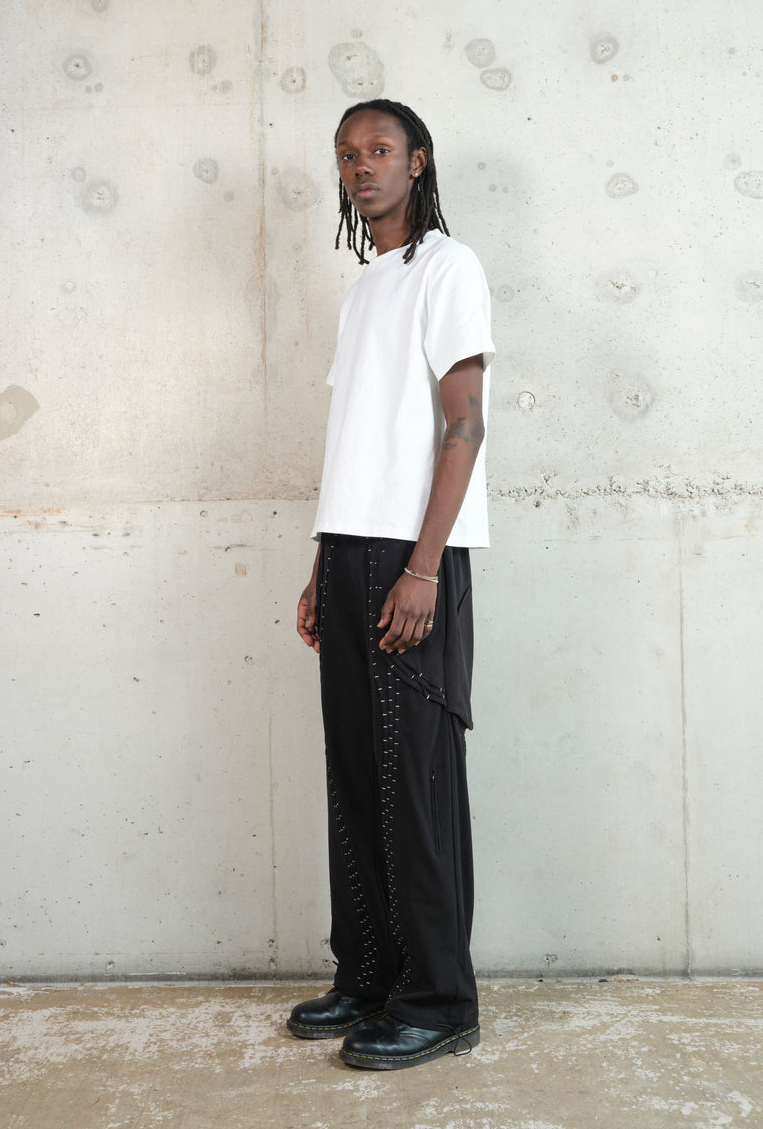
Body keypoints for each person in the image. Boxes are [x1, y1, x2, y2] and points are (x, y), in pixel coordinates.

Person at [287, 98, 494, 1071]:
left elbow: (462, 426)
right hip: (348, 552)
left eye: (377, 150)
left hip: (413, 555)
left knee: (412, 782)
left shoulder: (447, 268)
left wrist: (419, 566)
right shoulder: (364, 285)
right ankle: (369, 974)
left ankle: (439, 997)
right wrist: (318, 562)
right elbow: (359, 438)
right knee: (355, 778)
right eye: (345, 154)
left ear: (417, 160)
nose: (359, 166)